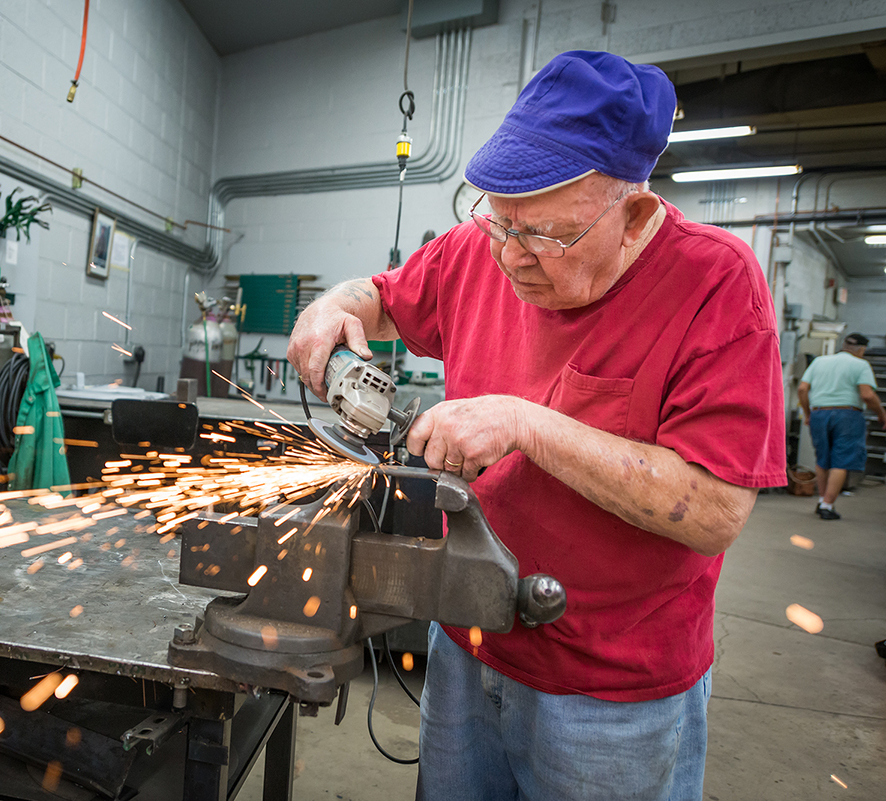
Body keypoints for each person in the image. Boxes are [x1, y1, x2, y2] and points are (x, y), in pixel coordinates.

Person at [287, 50, 786, 800]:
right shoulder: (486, 246)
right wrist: (331, 307)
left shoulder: (716, 283)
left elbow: (715, 509)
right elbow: (382, 297)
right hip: (465, 644)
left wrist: (528, 425)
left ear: (635, 216)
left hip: (610, 693)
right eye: (498, 221)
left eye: (546, 236)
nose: (512, 256)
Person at [797, 332, 885, 519]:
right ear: (861, 349)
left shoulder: (820, 361)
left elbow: (802, 388)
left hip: (819, 413)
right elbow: (867, 395)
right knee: (841, 460)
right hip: (848, 415)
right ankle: (828, 506)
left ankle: (822, 500)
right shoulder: (861, 365)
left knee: (822, 460)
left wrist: (807, 413)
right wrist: (881, 414)